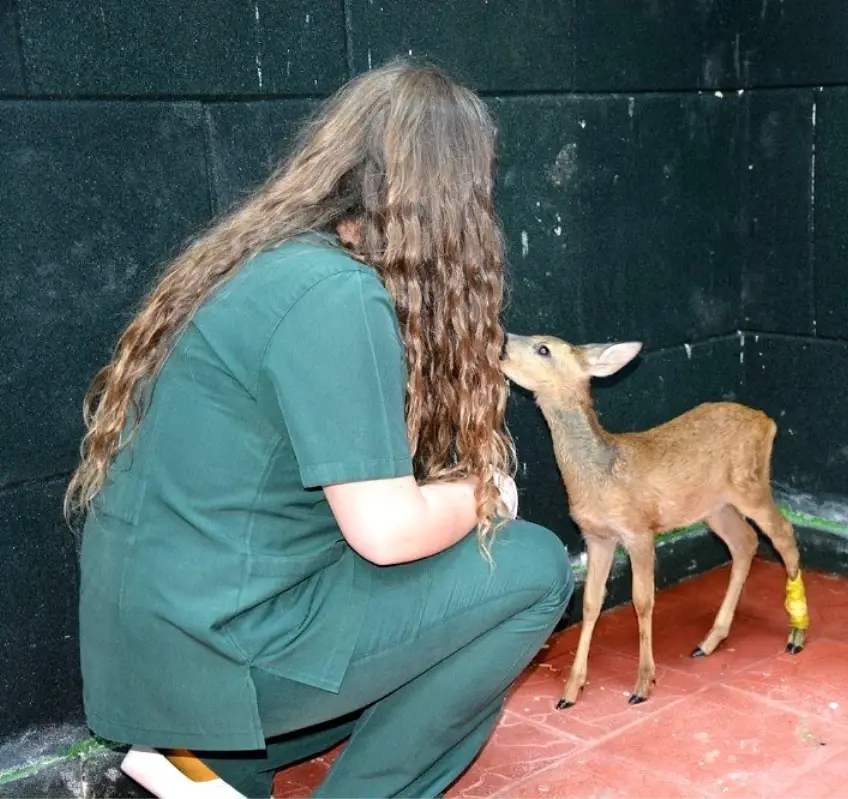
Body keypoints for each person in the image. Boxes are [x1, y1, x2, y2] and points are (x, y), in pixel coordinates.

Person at [65, 60, 574, 798]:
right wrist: (485, 493)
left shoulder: (266, 259)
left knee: (413, 596)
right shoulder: (340, 297)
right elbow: (388, 532)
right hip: (219, 649)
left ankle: (209, 768)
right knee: (529, 568)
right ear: (447, 197)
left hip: (156, 651)